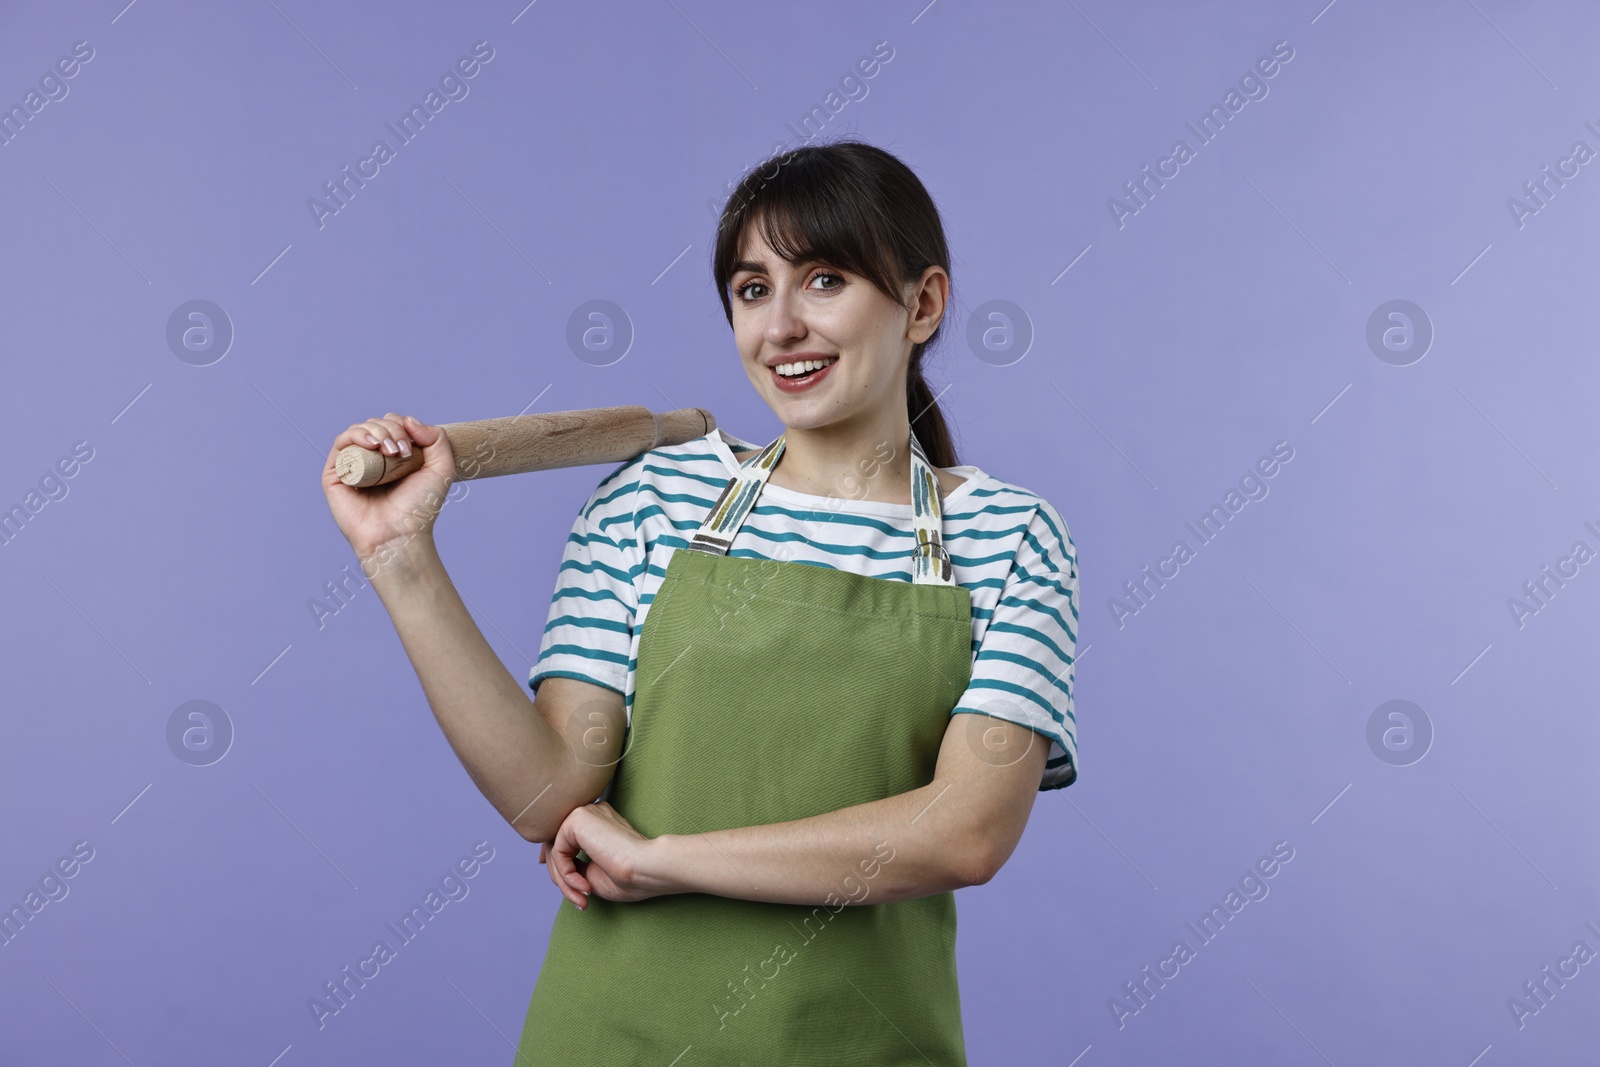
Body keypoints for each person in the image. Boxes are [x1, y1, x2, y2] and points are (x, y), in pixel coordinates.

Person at [322, 139, 1077, 1065]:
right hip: (610, 1033)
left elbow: (963, 831)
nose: (782, 326)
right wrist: (402, 557)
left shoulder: (1011, 537)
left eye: (825, 279)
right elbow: (550, 788)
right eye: (753, 289)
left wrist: (662, 859)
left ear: (922, 304)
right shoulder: (653, 499)